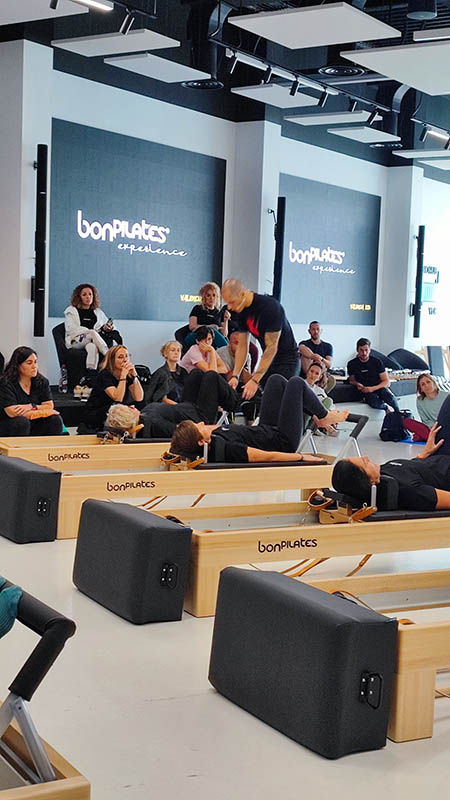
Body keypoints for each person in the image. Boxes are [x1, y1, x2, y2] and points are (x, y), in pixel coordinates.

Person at [169, 374, 349, 464]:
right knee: (296, 383)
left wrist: (180, 441)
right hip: (282, 441)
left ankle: (313, 411)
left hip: (266, 429)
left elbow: (179, 446)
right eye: (199, 427)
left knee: (275, 380)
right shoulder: (226, 448)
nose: (202, 423)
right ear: (201, 441)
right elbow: (267, 456)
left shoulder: (208, 437)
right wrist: (301, 457)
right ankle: (324, 416)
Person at [221, 279, 300, 400]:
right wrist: (235, 376)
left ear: (243, 294)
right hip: (270, 362)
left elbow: (271, 348)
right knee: (256, 399)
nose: (229, 307)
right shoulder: (242, 311)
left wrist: (255, 380)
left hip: (287, 360)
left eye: (231, 302)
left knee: (277, 400)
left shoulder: (270, 308)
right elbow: (243, 346)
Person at [140, 369, 239, 438]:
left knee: (196, 373)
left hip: (188, 406)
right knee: (211, 376)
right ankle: (237, 402)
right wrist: (201, 428)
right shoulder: (151, 421)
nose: (132, 407)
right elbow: (179, 430)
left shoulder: (145, 412)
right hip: (199, 417)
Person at [0, 347, 63, 436]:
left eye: (35, 362)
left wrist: (31, 406)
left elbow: (49, 406)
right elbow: (12, 412)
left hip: (33, 422)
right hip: (9, 423)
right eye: (29, 363)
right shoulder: (6, 383)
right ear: (18, 365)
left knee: (55, 419)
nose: (34, 366)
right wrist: (42, 411)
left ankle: (49, 445)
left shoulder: (42, 381)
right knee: (22, 423)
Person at [79, 345, 144, 432]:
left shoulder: (127, 374)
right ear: (112, 360)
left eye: (127, 356)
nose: (125, 360)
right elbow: (117, 398)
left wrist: (135, 376)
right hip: (97, 412)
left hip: (115, 410)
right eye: (120, 357)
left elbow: (139, 397)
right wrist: (123, 376)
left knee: (140, 406)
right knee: (117, 408)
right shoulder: (104, 375)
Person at [64, 284, 121, 371]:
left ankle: (91, 372)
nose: (88, 297)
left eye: (90, 294)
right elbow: (70, 329)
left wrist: (107, 327)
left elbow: (104, 326)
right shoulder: (71, 311)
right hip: (75, 341)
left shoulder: (98, 312)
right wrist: (88, 332)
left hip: (91, 340)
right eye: (84, 295)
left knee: (92, 347)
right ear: (79, 297)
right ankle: (109, 355)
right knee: (92, 333)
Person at [347, 338, 399, 412]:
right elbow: (352, 380)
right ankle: (385, 408)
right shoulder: (352, 364)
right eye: (361, 350)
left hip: (378, 387)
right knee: (373, 401)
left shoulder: (377, 362)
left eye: (366, 350)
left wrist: (372, 388)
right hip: (365, 390)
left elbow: (387, 382)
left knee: (389, 397)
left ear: (370, 350)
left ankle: (398, 412)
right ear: (357, 350)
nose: (364, 353)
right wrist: (357, 384)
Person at [402, 373, 450, 442]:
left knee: (419, 436)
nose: (426, 385)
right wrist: (435, 427)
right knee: (407, 422)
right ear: (421, 389)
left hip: (447, 427)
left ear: (433, 383)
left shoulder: (447, 396)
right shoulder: (420, 401)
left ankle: (428, 437)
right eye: (423, 384)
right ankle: (434, 438)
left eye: (428, 382)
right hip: (433, 428)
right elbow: (425, 420)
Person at [184, 282, 230, 349]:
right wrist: (209, 327)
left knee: (219, 336)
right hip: (196, 336)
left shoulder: (219, 312)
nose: (211, 298)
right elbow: (192, 327)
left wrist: (226, 321)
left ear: (217, 297)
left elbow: (224, 334)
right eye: (208, 295)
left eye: (214, 295)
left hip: (211, 340)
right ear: (204, 297)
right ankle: (228, 351)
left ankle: (227, 351)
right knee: (211, 331)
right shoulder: (197, 308)